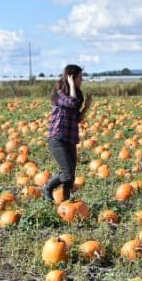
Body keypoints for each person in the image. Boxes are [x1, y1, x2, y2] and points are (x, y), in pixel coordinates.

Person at [42, 64, 92, 202]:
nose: (82, 80)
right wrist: (70, 85)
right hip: (57, 138)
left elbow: (77, 118)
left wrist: (86, 107)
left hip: (70, 139)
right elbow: (71, 102)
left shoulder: (74, 95)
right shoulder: (60, 94)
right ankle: (47, 187)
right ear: (71, 77)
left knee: (70, 178)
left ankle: (66, 202)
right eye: (80, 77)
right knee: (67, 174)